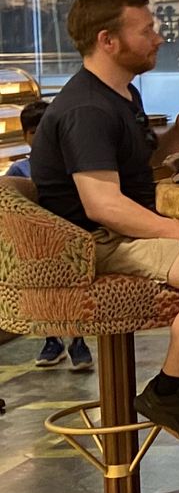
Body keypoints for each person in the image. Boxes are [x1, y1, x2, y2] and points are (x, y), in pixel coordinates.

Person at [31, 0, 179, 445]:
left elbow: (138, 167)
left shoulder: (119, 94)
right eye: (147, 30)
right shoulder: (87, 110)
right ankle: (171, 391)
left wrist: (176, 136)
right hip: (97, 243)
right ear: (107, 40)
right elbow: (103, 205)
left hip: (122, 230)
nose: (158, 38)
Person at [9, 100, 94, 372]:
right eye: (33, 133)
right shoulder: (19, 171)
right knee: (46, 297)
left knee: (70, 293)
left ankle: (78, 340)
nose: (38, 138)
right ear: (25, 136)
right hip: (35, 244)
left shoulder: (72, 168)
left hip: (68, 240)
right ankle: (52, 340)